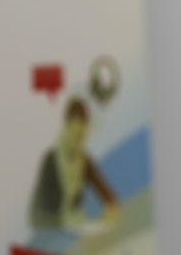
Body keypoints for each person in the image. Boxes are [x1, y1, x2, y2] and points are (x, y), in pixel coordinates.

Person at [29, 96, 118, 231]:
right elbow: (35, 216)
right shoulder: (50, 160)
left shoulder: (84, 161)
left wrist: (110, 211)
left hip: (77, 227)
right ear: (66, 126)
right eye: (74, 127)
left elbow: (108, 196)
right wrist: (63, 222)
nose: (78, 135)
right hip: (50, 232)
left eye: (82, 129)